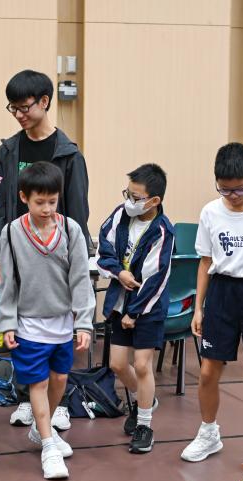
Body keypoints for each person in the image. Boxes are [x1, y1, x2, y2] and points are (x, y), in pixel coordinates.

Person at [0, 70, 91, 432]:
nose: (18, 114)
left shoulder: (68, 154)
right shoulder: (7, 151)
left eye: (24, 107)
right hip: (18, 248)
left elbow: (78, 208)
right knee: (21, 324)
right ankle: (25, 399)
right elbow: (2, 206)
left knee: (60, 330)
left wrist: (80, 252)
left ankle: (58, 403)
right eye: (12, 108)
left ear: (45, 102)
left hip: (55, 248)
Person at [0, 162, 95, 479]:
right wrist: (7, 322)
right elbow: (8, 283)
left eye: (52, 201)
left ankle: (42, 430)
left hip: (63, 323)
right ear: (24, 197)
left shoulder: (71, 230)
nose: (47, 208)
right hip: (29, 324)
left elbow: (81, 279)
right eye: (40, 202)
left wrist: (83, 322)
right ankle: (49, 445)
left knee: (60, 381)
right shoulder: (12, 232)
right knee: (37, 383)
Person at [181, 143, 243, 472]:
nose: (233, 195)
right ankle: (209, 433)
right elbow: (205, 261)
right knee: (207, 371)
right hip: (221, 293)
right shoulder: (210, 212)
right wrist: (198, 308)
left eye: (241, 189)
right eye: (225, 189)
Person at [97, 163, 175, 454]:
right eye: (128, 194)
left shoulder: (164, 231)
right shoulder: (120, 215)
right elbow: (104, 249)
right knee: (118, 364)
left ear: (154, 201)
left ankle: (144, 424)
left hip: (148, 307)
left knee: (142, 365)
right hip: (120, 301)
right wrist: (119, 272)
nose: (129, 201)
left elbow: (158, 277)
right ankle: (147, 399)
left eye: (136, 197)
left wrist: (135, 312)